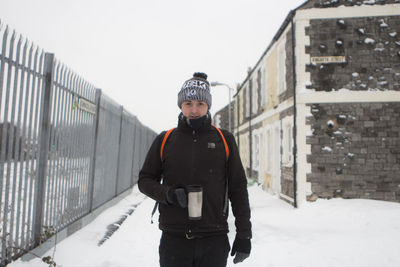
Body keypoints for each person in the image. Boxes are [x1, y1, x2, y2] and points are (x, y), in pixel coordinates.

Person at [138, 72, 252, 267]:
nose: (194, 110)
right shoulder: (166, 140)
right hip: (174, 240)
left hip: (213, 240)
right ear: (180, 105)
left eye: (200, 103)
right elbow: (145, 181)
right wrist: (168, 194)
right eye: (188, 103)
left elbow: (237, 188)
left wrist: (244, 235)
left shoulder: (224, 140)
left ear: (208, 106)